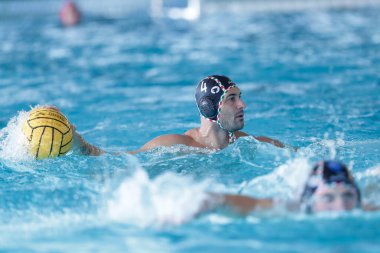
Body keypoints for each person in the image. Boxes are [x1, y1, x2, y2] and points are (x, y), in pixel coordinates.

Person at [204, 161, 369, 215]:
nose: (341, 207)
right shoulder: (295, 208)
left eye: (348, 195)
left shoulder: (365, 208)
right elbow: (249, 204)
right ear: (309, 199)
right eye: (328, 197)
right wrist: (206, 201)